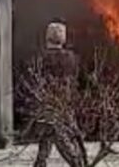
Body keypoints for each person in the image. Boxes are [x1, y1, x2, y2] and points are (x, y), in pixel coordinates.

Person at [34, 20, 84, 167]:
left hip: (49, 104)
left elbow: (37, 81)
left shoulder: (42, 58)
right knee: (48, 138)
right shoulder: (71, 58)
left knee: (55, 136)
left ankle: (76, 163)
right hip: (65, 102)